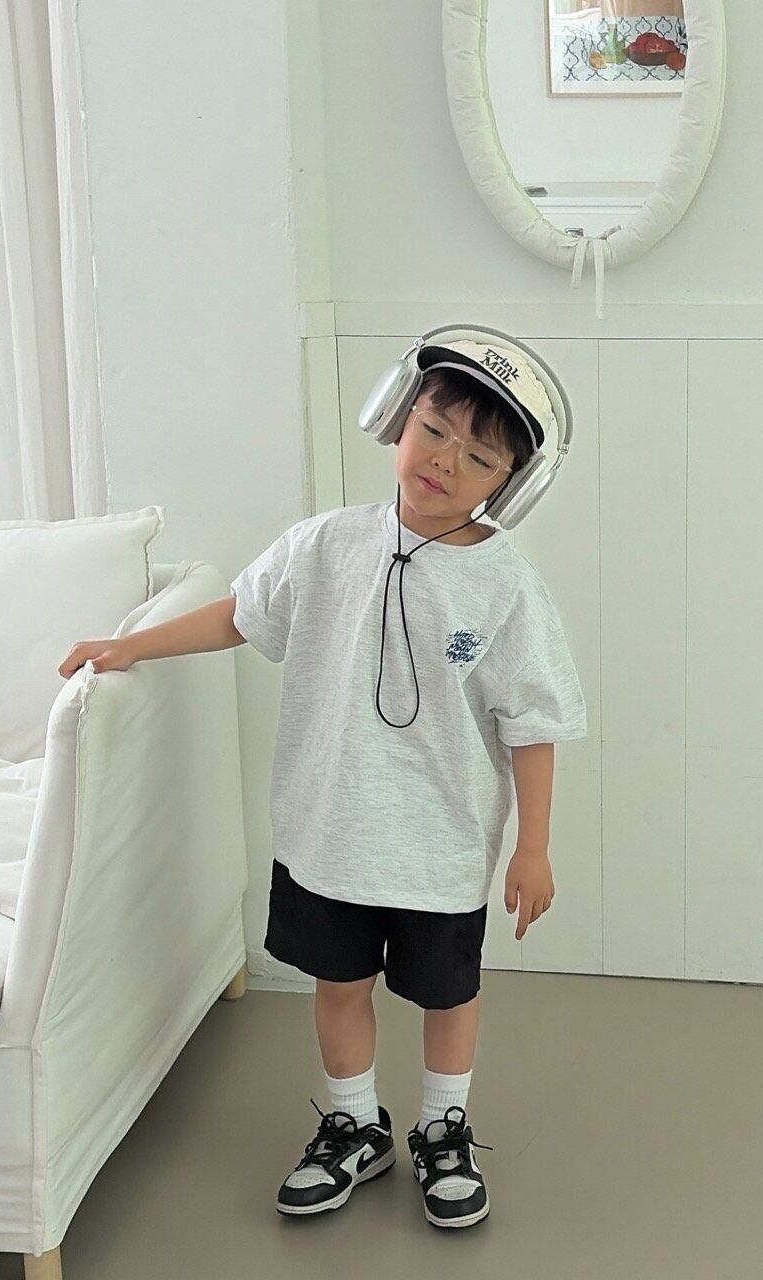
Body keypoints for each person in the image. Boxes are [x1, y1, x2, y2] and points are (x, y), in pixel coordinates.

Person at [56, 353, 588, 1229]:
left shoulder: (507, 587)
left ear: (512, 484)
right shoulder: (324, 543)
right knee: (338, 986)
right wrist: (132, 645)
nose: (445, 460)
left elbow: (533, 721)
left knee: (447, 994)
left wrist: (533, 846)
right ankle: (353, 1124)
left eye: (479, 457)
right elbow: (241, 613)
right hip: (326, 831)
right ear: (396, 418)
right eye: (433, 430)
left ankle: (442, 1128)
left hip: (441, 846)